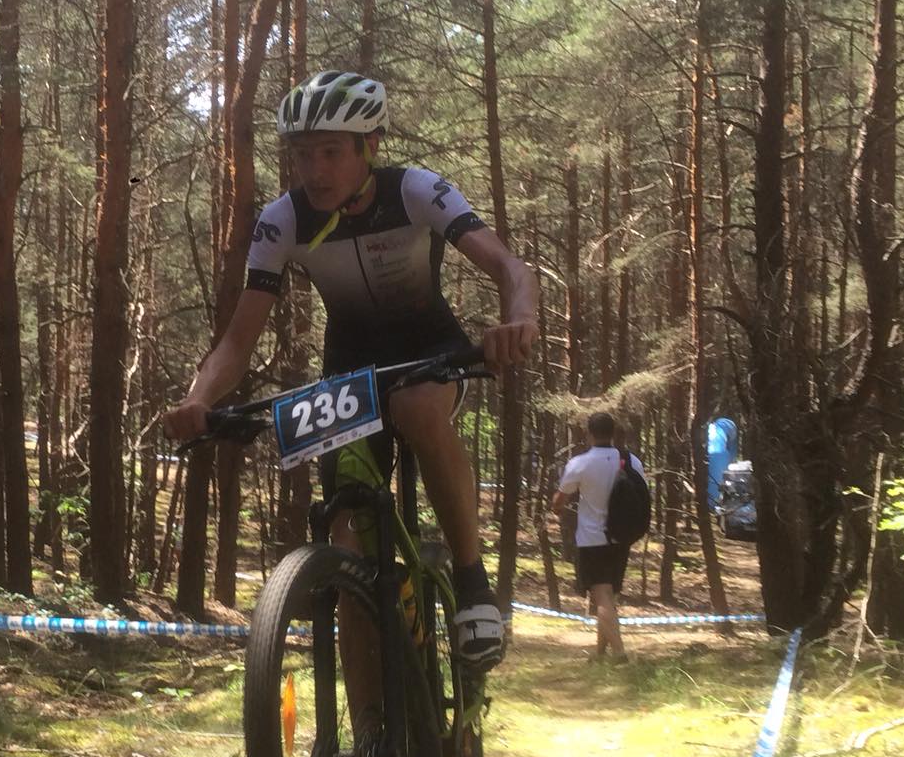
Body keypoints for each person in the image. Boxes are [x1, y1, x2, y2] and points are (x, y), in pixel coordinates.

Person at [164, 68, 539, 676]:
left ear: (370, 146)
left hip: (430, 353)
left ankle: (473, 584)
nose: (314, 171)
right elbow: (236, 341)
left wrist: (518, 318)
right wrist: (198, 399)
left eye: (331, 152)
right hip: (349, 376)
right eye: (302, 155)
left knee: (416, 407)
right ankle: (370, 733)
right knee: (346, 551)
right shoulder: (284, 220)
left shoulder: (415, 190)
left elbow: (509, 267)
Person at [552, 411, 640, 663]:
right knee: (608, 596)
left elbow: (559, 501)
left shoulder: (580, 464)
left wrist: (557, 507)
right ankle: (600, 654)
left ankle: (619, 654)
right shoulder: (630, 460)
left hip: (592, 539)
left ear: (589, 434)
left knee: (601, 596)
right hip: (621, 538)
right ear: (613, 433)